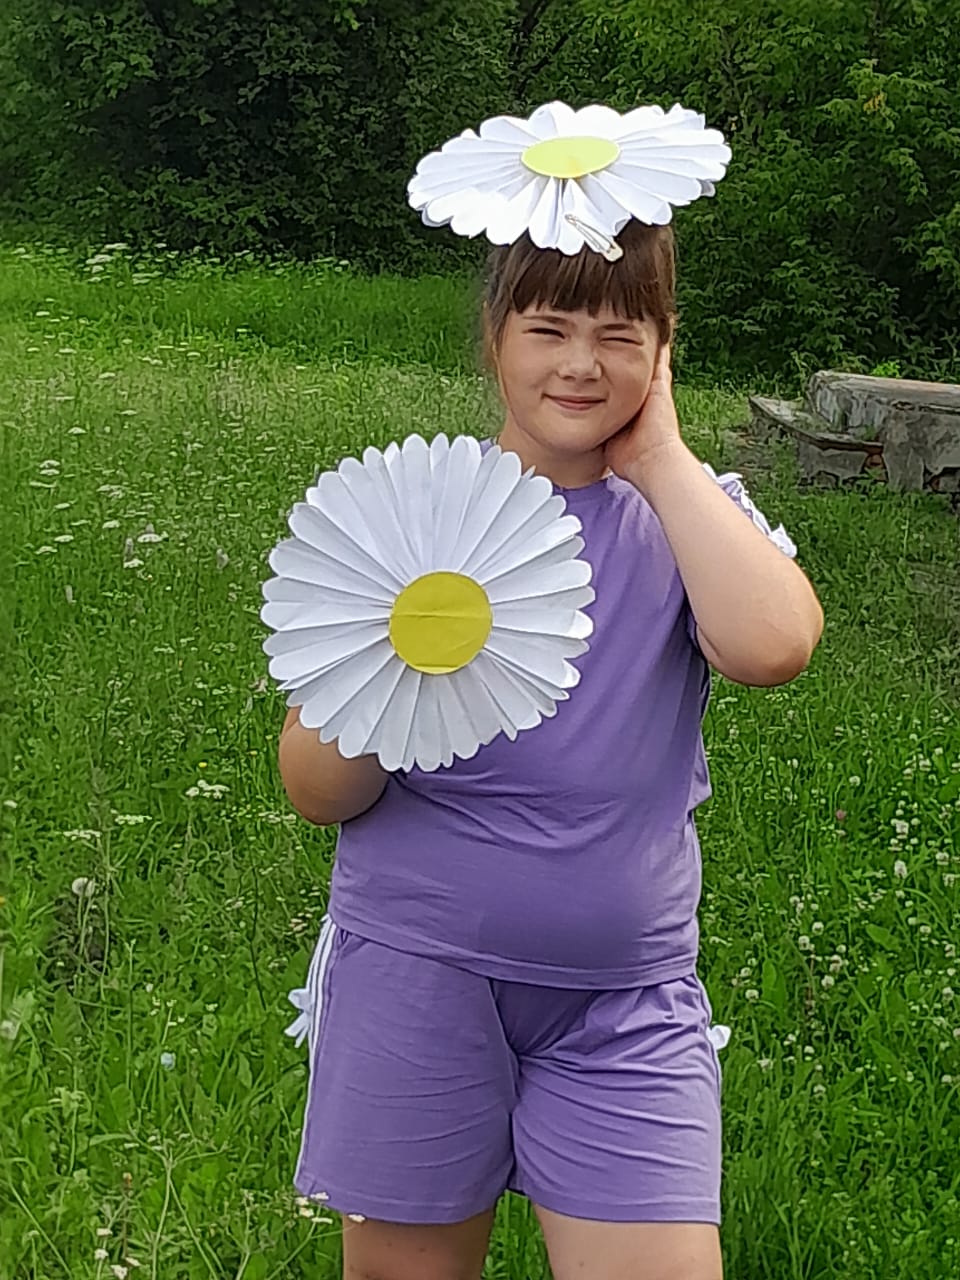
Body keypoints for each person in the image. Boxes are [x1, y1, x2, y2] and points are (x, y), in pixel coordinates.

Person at [277, 104, 824, 1280]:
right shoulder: (415, 519)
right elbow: (317, 789)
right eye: (550, 327)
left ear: (666, 350)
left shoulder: (686, 516)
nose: (582, 361)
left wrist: (661, 459)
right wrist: (395, 657)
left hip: (626, 998)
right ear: (495, 338)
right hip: (418, 970)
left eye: (623, 332)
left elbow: (776, 643)